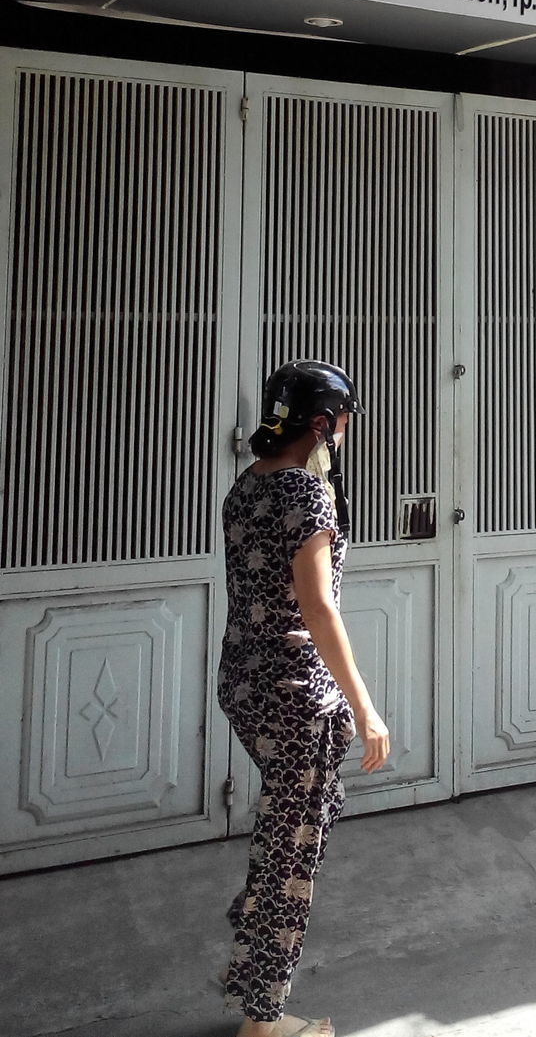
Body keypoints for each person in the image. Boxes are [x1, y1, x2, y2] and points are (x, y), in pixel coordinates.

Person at [218, 360, 390, 1037]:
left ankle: (249, 945)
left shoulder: (249, 484)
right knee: (291, 856)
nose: (344, 432)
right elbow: (318, 608)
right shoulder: (306, 494)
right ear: (321, 422)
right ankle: (262, 1020)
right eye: (342, 420)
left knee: (294, 824)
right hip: (296, 699)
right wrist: (365, 708)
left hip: (246, 684)